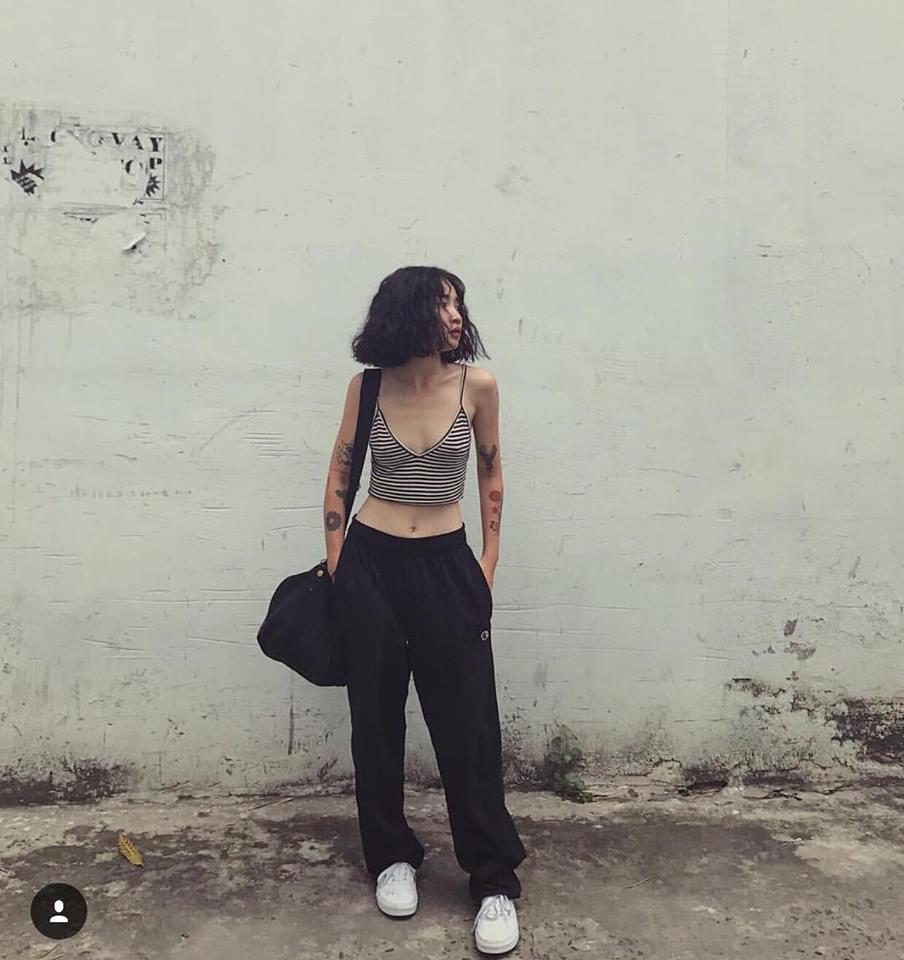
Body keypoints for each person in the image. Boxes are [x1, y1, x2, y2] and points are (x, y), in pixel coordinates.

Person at [323, 266, 527, 955]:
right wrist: (338, 564)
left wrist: (487, 564)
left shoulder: (477, 386)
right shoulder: (367, 388)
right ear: (407, 312)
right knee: (376, 721)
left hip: (447, 565)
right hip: (372, 563)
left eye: (458, 302)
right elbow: (341, 471)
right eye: (442, 302)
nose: (455, 314)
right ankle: (391, 857)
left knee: (468, 725)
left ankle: (492, 879)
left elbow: (491, 471)